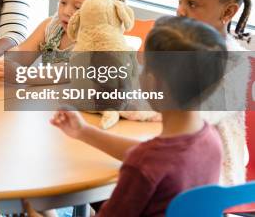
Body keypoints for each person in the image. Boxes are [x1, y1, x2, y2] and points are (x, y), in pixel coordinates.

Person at [49, 16, 226, 217]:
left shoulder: (143, 165)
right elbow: (148, 156)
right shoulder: (210, 139)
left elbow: (144, 161)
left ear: (152, 82)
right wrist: (84, 132)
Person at [177, 0, 251, 185]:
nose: (180, 10)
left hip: (216, 173)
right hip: (183, 154)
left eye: (192, 3)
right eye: (179, 0)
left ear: (228, 11)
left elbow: (198, 114)